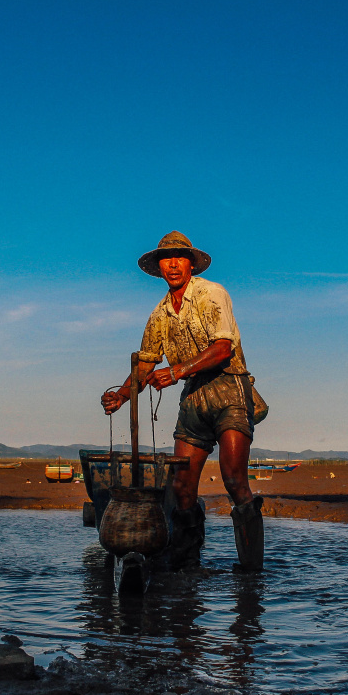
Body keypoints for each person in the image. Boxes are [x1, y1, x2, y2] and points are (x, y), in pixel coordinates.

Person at [100, 231, 267, 571]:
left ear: (191, 264)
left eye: (180, 257)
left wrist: (175, 372)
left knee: (234, 479)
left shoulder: (212, 294)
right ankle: (188, 562)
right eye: (166, 259)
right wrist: (121, 393)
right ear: (159, 267)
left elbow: (224, 349)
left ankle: (251, 569)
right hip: (193, 396)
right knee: (181, 486)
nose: (173, 264)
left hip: (229, 389)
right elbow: (145, 365)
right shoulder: (159, 314)